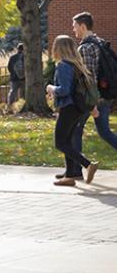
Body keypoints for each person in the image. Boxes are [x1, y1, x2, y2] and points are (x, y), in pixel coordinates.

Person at [58, 12, 117, 180]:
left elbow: (89, 78)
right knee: (105, 132)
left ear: (82, 26)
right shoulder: (100, 43)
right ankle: (74, 169)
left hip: (92, 98)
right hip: (105, 95)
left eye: (75, 26)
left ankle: (75, 170)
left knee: (73, 130)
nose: (73, 30)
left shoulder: (85, 48)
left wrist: (92, 105)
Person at [46, 35, 98, 186]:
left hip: (68, 107)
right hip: (78, 108)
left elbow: (64, 90)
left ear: (58, 48)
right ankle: (70, 175)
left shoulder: (63, 65)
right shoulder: (77, 65)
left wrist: (51, 88)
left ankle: (88, 164)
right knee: (67, 140)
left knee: (60, 142)